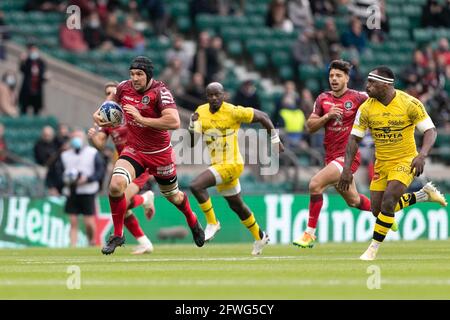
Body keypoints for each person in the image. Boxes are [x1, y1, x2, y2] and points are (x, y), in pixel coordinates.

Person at [292, 61, 445, 249]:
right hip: (331, 157)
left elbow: (385, 97)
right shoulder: (323, 99)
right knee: (355, 201)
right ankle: (405, 204)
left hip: (347, 156)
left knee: (315, 184)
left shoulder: (360, 98)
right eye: (331, 76)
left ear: (347, 78)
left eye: (338, 76)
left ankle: (309, 234)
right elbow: (310, 127)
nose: (334, 79)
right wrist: (327, 116)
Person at [93, 56, 205, 255]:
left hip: (160, 154)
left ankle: (192, 220)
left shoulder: (161, 93)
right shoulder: (124, 88)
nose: (134, 78)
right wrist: (100, 116)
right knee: (115, 186)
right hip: (134, 150)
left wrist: (140, 118)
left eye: (139, 74)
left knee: (174, 197)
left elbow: (174, 122)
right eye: (132, 74)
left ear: (149, 75)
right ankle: (118, 235)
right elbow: (106, 106)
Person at [337, 66, 448, 261]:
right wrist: (346, 170)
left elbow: (430, 131)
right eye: (368, 81)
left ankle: (372, 250)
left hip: (406, 159)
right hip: (382, 163)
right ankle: (423, 195)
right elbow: (354, 139)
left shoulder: (409, 103)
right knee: (378, 210)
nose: (367, 86)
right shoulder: (366, 108)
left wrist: (422, 155)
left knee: (389, 202)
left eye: (372, 82)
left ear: (386, 85)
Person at [189, 82, 284, 255]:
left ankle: (212, 223)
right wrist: (192, 125)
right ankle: (260, 235)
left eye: (217, 94)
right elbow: (191, 142)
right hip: (218, 165)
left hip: (232, 163)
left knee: (196, 185)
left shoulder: (233, 111)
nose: (214, 98)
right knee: (237, 205)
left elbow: (263, 116)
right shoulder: (200, 111)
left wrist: (275, 140)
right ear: (206, 96)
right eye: (210, 95)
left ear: (224, 95)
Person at [89, 81, 155, 255]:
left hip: (140, 163)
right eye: (107, 93)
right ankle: (144, 242)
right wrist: (92, 138)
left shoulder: (131, 111)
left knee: (121, 203)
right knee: (121, 207)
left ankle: (145, 199)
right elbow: (100, 145)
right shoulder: (108, 120)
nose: (110, 96)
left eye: (113, 92)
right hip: (123, 167)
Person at [61, 129, 106, 247]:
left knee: (88, 222)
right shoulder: (65, 155)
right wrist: (66, 180)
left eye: (79, 136)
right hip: (72, 191)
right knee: (73, 221)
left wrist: (88, 179)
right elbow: (60, 172)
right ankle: (73, 245)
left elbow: (100, 171)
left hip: (88, 190)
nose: (77, 139)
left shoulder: (92, 153)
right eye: (74, 136)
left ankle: (91, 241)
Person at [19, 43, 46, 115]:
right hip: (27, 90)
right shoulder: (27, 61)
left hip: (37, 90)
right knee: (23, 109)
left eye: (35, 49)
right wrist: (22, 61)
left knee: (36, 111)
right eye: (32, 50)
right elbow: (22, 70)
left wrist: (45, 77)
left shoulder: (41, 62)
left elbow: (42, 76)